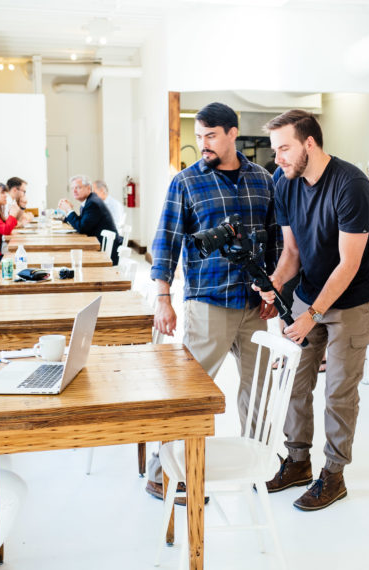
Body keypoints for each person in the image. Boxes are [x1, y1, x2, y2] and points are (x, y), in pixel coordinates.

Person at [146, 102, 281, 501]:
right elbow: (165, 242)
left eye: (210, 136)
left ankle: (257, 464)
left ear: (232, 133)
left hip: (255, 304)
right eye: (198, 136)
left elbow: (274, 239)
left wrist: (274, 288)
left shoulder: (263, 179)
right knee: (191, 390)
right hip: (209, 301)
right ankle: (163, 471)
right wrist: (163, 298)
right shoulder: (186, 182)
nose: (202, 143)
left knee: (258, 389)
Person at [259, 110, 369, 511]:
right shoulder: (285, 182)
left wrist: (310, 315)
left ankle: (334, 474)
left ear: (309, 143)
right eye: (276, 149)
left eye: (284, 148)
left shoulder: (352, 186)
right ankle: (297, 462)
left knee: (338, 392)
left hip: (353, 301)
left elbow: (348, 265)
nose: (277, 158)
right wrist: (275, 285)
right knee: (294, 383)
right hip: (309, 293)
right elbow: (292, 252)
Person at [58, 175, 122, 265]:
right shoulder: (89, 201)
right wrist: (68, 211)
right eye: (72, 188)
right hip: (100, 245)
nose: (74, 191)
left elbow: (82, 228)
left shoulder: (93, 203)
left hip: (106, 252)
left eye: (78, 187)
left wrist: (69, 210)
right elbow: (82, 222)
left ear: (88, 188)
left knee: (70, 258)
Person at [0, 182, 23, 268]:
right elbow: (5, 230)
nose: (5, 195)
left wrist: (13, 216)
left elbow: (5, 225)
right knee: (16, 262)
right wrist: (12, 215)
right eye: (2, 192)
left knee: (17, 259)